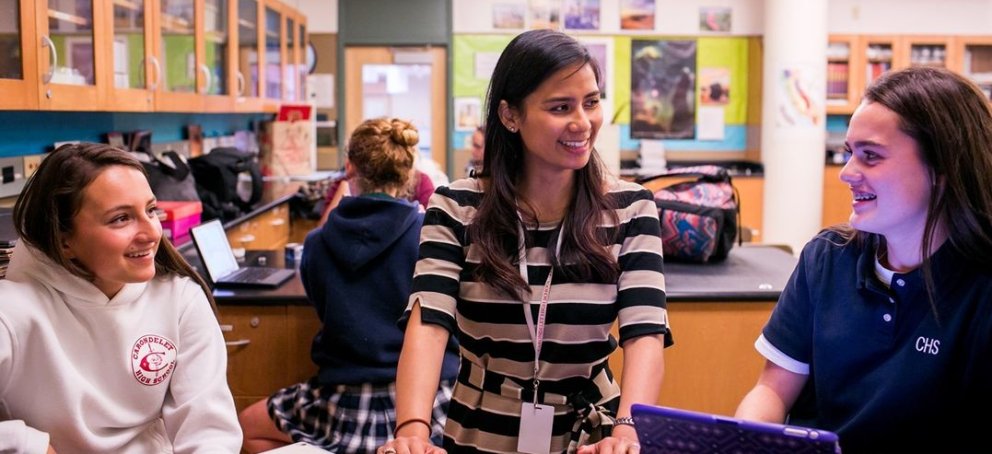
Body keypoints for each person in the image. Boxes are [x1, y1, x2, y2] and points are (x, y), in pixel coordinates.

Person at [381, 29, 671, 454]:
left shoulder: (630, 209)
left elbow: (645, 332)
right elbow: (429, 323)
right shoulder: (456, 207)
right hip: (479, 430)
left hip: (591, 433)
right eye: (560, 107)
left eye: (591, 102)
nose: (582, 122)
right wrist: (412, 429)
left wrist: (627, 429)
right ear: (510, 116)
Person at [735, 66, 992, 453]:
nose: (847, 173)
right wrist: (745, 440)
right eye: (848, 153)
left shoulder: (981, 286)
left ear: (942, 168)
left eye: (871, 156)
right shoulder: (826, 258)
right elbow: (772, 390)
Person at [0, 143, 241, 452]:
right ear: (64, 240)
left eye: (150, 210)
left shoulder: (180, 299)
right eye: (120, 219)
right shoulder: (14, 311)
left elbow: (210, 432)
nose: (152, 233)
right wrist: (24, 445)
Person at [239, 118, 460, 453]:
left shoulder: (317, 242)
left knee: (246, 429)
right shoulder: (429, 237)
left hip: (343, 401)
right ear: (408, 172)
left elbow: (320, 302)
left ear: (349, 167)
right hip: (430, 402)